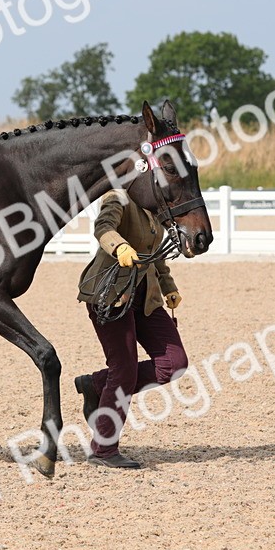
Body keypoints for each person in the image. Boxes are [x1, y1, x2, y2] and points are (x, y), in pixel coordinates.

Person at [74, 189, 188, 469]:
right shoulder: (118, 197)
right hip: (110, 295)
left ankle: (96, 383)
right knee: (124, 370)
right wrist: (119, 247)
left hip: (146, 297)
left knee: (174, 364)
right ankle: (103, 450)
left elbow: (154, 253)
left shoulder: (154, 206)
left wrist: (168, 286)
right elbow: (103, 227)